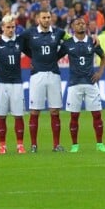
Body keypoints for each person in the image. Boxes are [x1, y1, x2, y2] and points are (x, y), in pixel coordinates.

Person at [19, 8, 66, 153]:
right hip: (37, 75)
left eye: (48, 17)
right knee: (35, 111)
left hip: (53, 74)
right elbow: (19, 44)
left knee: (55, 110)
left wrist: (57, 56)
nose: (46, 20)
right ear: (38, 19)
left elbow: (72, 41)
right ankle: (33, 145)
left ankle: (56, 145)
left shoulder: (59, 32)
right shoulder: (29, 33)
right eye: (43, 17)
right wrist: (33, 56)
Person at [61, 15, 105, 153]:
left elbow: (103, 57)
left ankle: (100, 144)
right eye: (78, 23)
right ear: (72, 27)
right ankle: (74, 145)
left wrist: (100, 73)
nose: (81, 25)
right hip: (74, 84)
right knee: (74, 116)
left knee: (97, 115)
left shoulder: (93, 41)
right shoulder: (67, 43)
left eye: (83, 23)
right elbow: (55, 57)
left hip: (90, 82)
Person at [0, 14, 27, 154]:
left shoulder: (20, 41)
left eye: (13, 27)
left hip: (16, 83)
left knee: (18, 114)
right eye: (8, 27)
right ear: (2, 28)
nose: (11, 30)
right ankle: (2, 145)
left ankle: (20, 145)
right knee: (1, 115)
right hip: (1, 83)